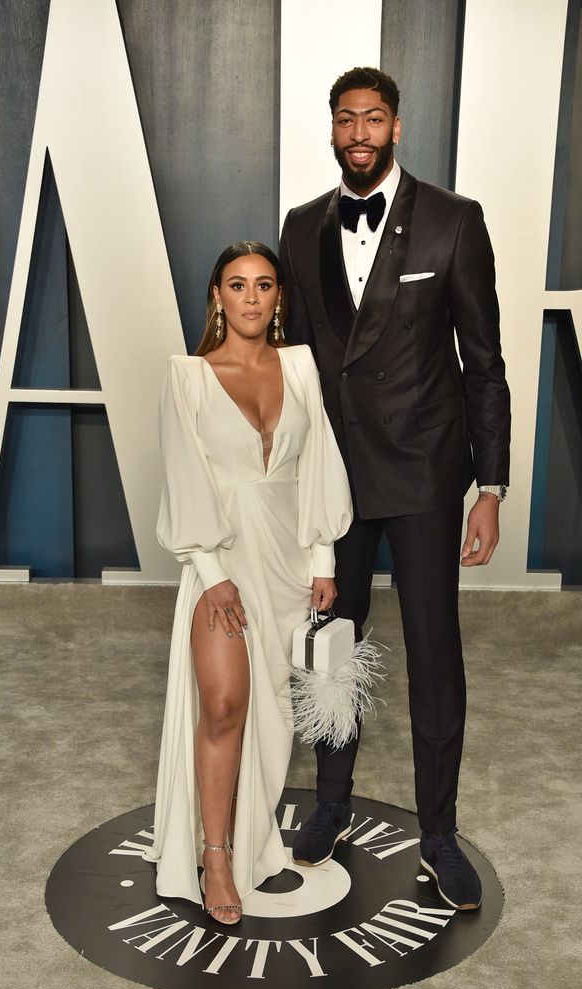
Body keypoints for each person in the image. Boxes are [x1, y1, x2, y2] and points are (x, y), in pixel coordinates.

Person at [279, 67, 511, 911]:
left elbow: (483, 363)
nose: (360, 132)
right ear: (332, 129)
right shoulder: (301, 227)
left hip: (423, 470)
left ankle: (440, 833)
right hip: (337, 477)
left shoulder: (454, 220)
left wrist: (490, 487)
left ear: (398, 128)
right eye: (346, 119)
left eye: (374, 118)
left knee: (433, 653)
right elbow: (297, 368)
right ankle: (331, 803)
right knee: (331, 647)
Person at [143, 241, 352, 925]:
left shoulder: (298, 368)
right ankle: (216, 856)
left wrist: (323, 562)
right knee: (226, 704)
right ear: (217, 297)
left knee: (271, 717)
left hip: (288, 566)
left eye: (265, 286)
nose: (252, 298)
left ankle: (249, 830)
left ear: (279, 298)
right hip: (222, 563)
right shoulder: (188, 377)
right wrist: (210, 575)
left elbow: (317, 459)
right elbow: (184, 477)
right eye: (237, 285)